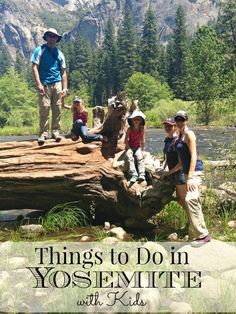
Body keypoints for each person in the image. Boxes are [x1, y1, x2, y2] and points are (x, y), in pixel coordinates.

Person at [162, 111, 210, 246]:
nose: (179, 122)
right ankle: (194, 233)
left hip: (194, 172)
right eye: (177, 120)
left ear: (186, 120)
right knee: (192, 200)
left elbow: (194, 156)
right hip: (185, 172)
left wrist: (190, 177)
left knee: (190, 199)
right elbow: (180, 160)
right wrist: (167, 168)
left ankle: (203, 235)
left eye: (182, 120)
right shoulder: (180, 136)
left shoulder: (189, 134)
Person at [31, 28, 68, 145]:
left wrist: (65, 88)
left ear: (57, 39)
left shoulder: (60, 54)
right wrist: (38, 84)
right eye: (50, 36)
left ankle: (56, 131)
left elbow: (63, 72)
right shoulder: (39, 50)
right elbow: (34, 67)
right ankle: (43, 133)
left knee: (57, 108)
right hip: (44, 84)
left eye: (54, 36)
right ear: (46, 37)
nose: (52, 38)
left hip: (57, 84)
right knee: (44, 109)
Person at [125, 110, 146, 183]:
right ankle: (134, 174)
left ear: (141, 121)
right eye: (134, 119)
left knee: (140, 157)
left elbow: (143, 140)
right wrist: (129, 148)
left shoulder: (142, 129)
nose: (136, 121)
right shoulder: (129, 129)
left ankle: (142, 174)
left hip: (137, 147)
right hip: (130, 147)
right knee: (130, 157)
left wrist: (143, 151)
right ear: (132, 120)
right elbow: (126, 141)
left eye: (138, 119)